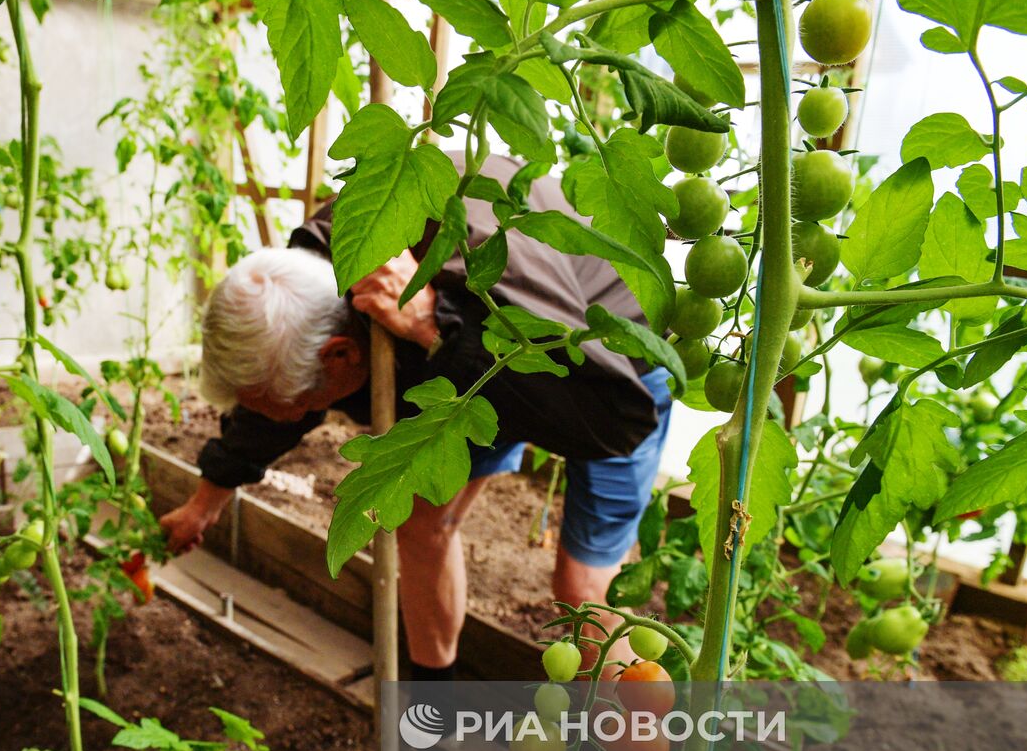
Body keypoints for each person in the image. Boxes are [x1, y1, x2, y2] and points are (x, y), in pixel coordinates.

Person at [160, 154, 672, 680]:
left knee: (582, 591)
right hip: (466, 362)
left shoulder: (477, 255)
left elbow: (610, 422)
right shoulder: (312, 277)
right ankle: (434, 708)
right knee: (422, 524)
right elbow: (273, 408)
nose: (296, 414)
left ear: (340, 356)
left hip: (606, 368)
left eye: (303, 404)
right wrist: (206, 501)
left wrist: (435, 328)